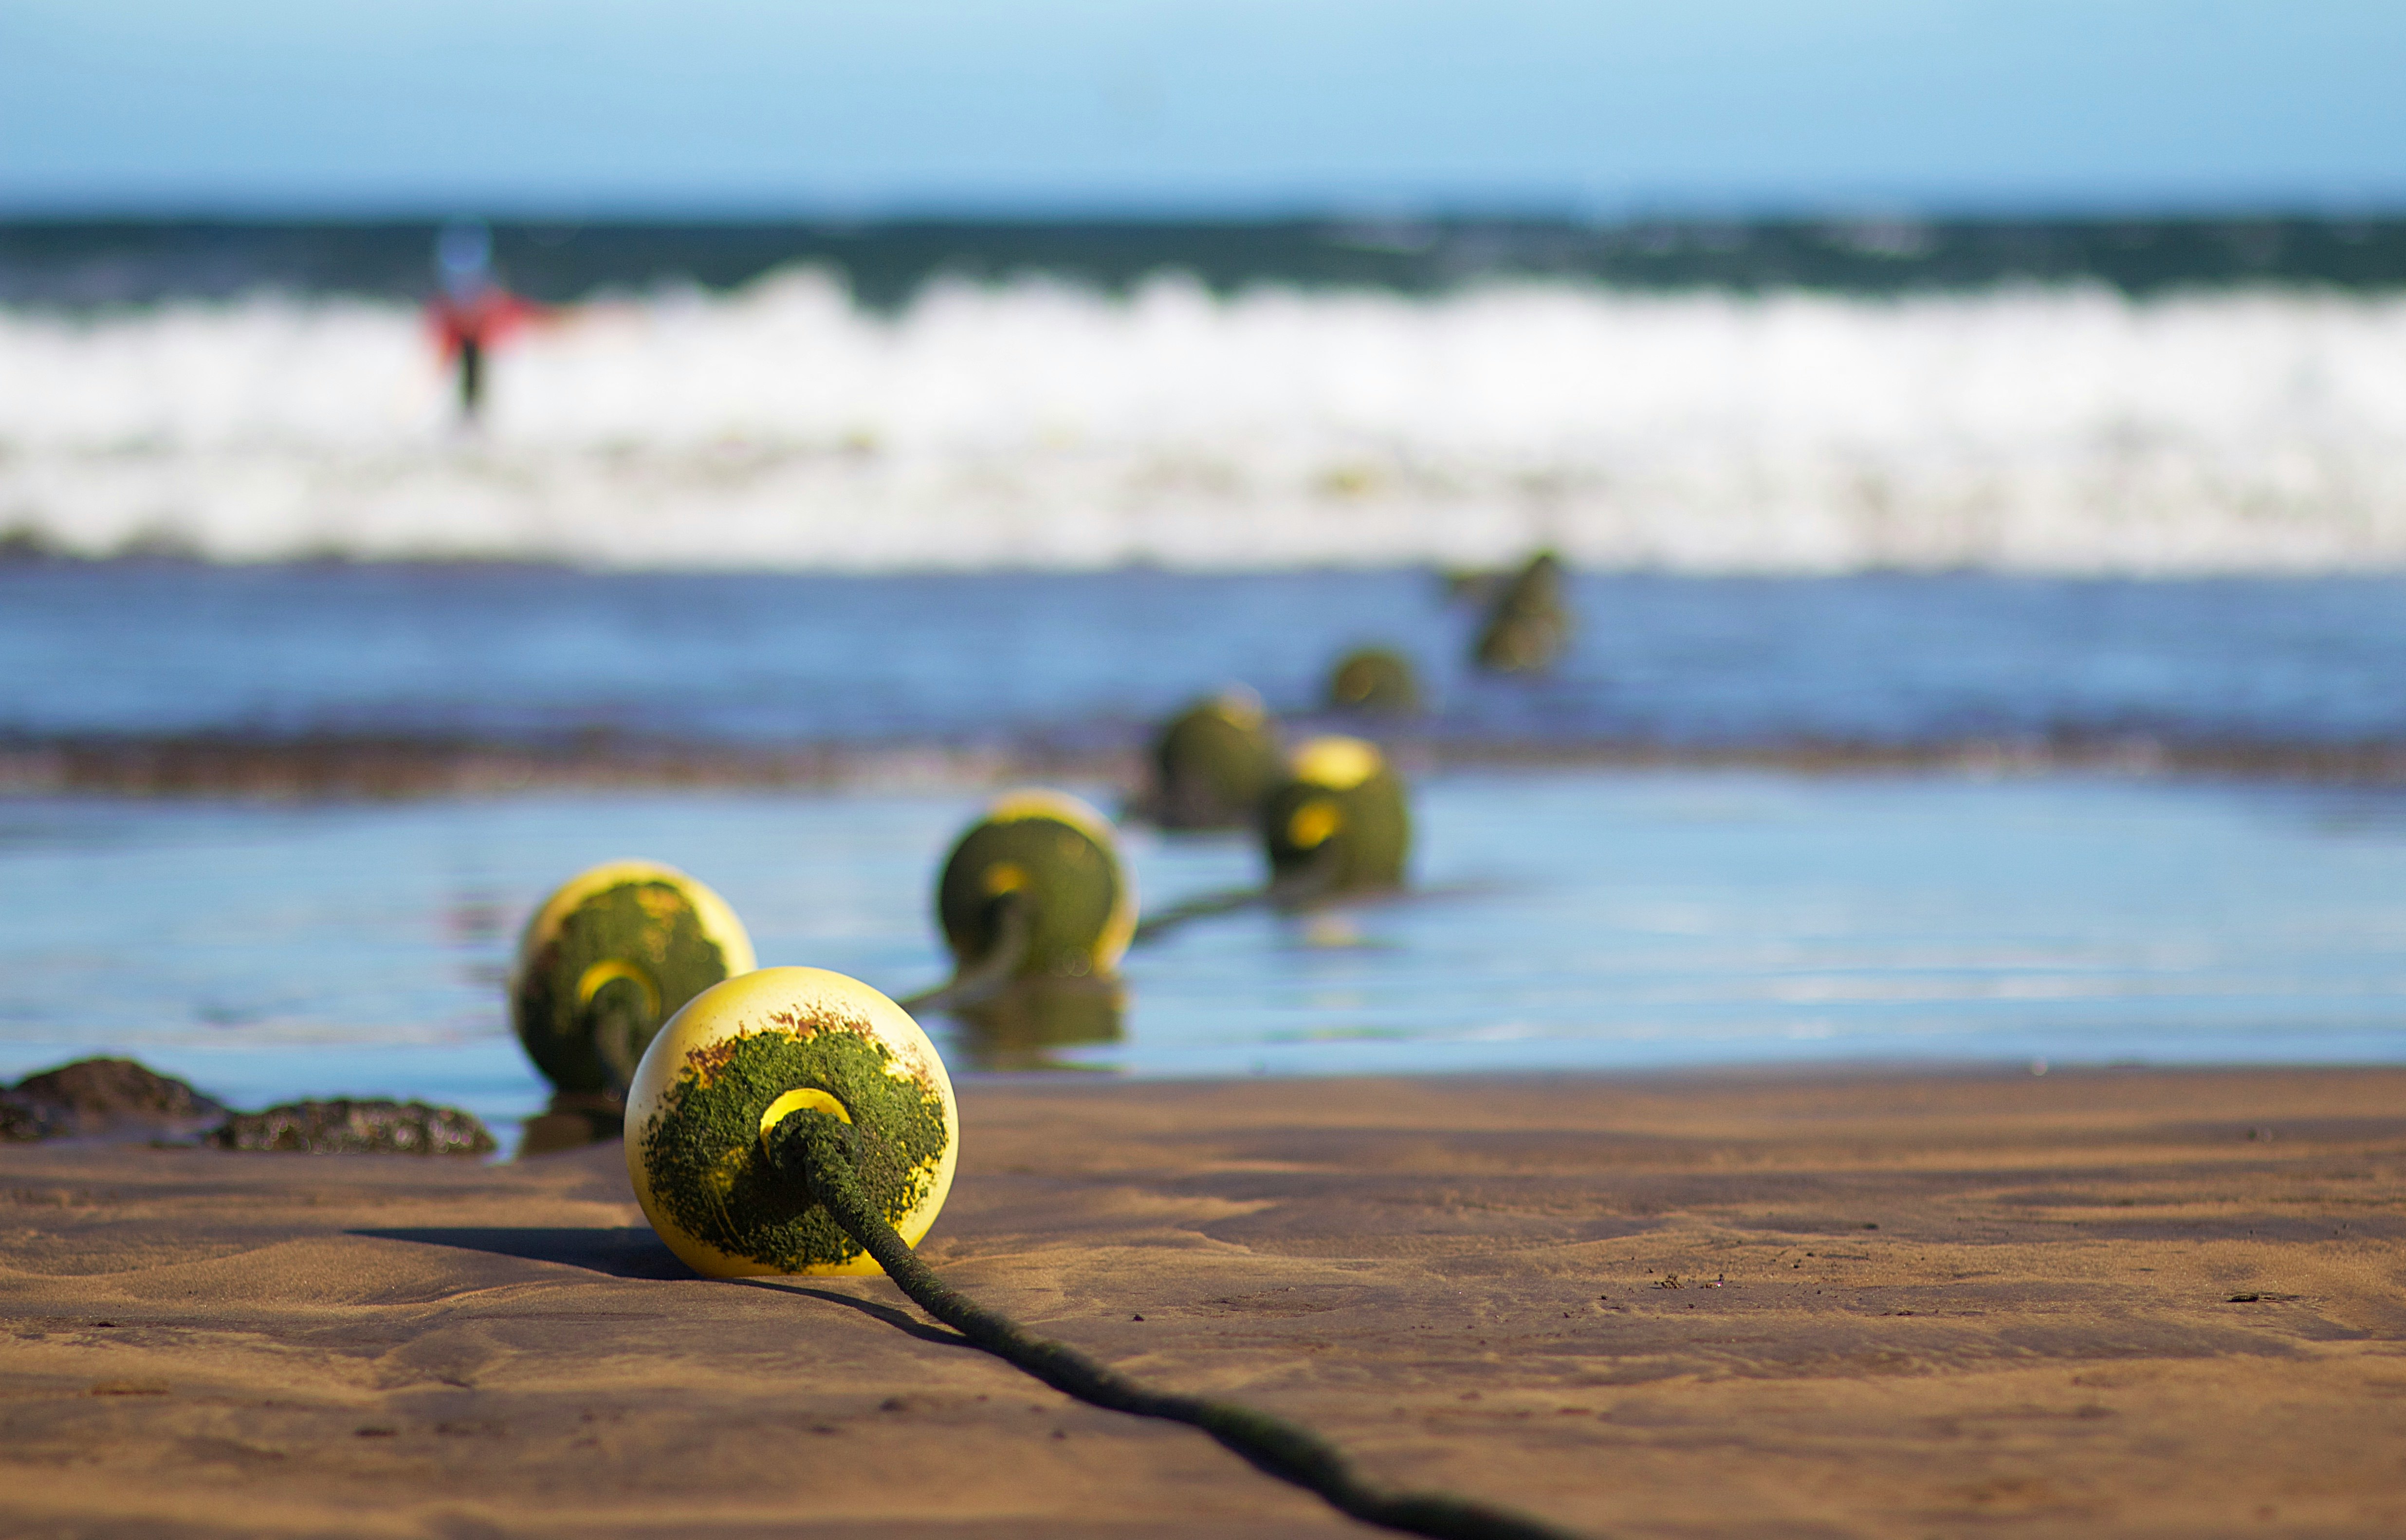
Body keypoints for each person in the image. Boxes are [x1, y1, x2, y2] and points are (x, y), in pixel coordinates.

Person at [426, 221, 537, 422]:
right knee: (468, 375)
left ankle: (473, 416)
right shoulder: (471, 265)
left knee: (474, 374)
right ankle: (469, 416)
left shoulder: (459, 265)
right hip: (468, 326)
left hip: (472, 327)